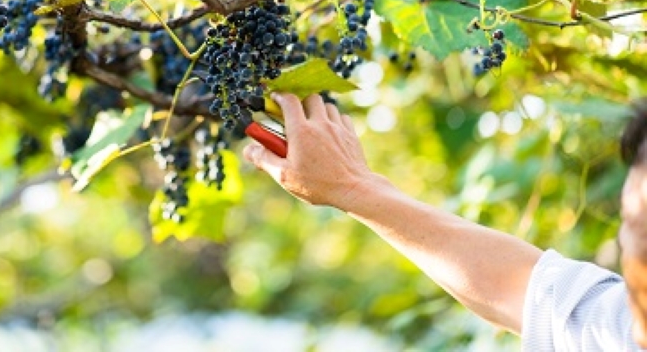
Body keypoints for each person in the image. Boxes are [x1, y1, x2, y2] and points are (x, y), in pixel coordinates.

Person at [242, 93, 647, 351]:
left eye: (637, 225)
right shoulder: (621, 332)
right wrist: (352, 188)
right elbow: (523, 289)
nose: (625, 238)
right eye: (628, 220)